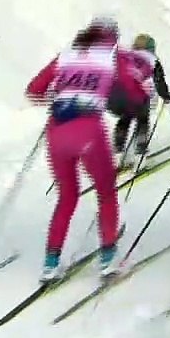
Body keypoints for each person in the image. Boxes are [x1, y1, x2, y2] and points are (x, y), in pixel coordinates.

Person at [25, 17, 148, 282]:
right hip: (89, 129)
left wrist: (58, 97)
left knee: (67, 196)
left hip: (57, 130)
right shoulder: (113, 56)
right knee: (106, 192)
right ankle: (108, 258)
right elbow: (133, 92)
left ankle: (50, 263)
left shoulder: (65, 55)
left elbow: (33, 91)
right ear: (112, 37)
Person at [111, 33, 170, 167]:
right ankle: (140, 155)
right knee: (142, 121)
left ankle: (117, 154)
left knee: (124, 120)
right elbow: (159, 81)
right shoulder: (152, 59)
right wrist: (166, 96)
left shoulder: (126, 55)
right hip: (137, 97)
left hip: (116, 95)